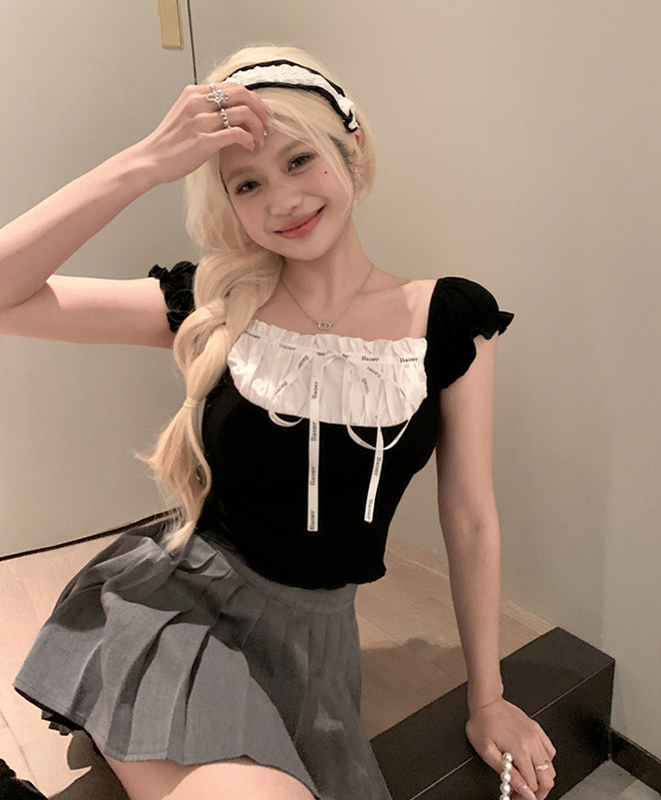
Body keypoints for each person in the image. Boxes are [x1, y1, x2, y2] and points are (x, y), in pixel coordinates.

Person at [0, 44, 556, 800]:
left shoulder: (450, 317)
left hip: (314, 641)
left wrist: (487, 698)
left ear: (351, 152)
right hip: (180, 611)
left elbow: (471, 516)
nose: (282, 200)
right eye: (247, 184)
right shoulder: (215, 301)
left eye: (299, 161)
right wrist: (144, 163)